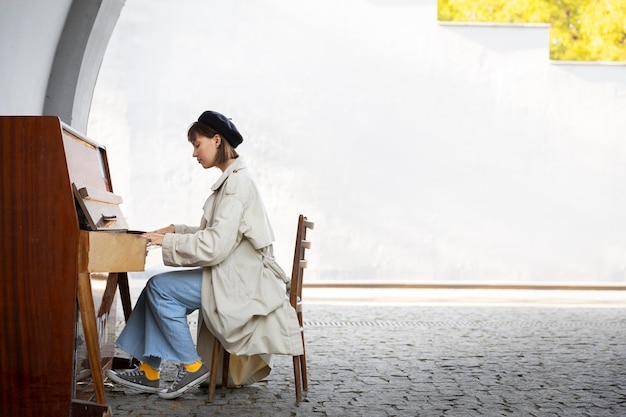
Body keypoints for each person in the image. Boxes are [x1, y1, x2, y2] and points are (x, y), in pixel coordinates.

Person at [106, 110, 303, 400]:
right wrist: (173, 230)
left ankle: (193, 365)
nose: (194, 154)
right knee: (153, 289)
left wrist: (168, 241)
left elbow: (214, 246)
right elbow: (215, 234)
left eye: (197, 145)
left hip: (240, 283)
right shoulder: (233, 181)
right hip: (234, 273)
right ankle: (149, 372)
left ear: (217, 139)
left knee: (160, 289)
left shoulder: (236, 185)